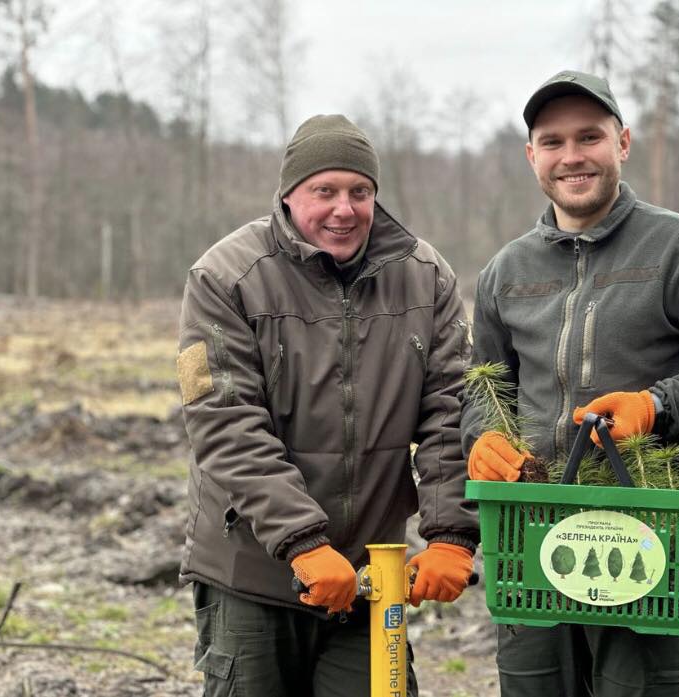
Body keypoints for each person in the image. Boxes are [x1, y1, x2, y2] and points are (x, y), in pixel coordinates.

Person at [461, 71, 679, 696]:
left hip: (651, 532)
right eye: (552, 142)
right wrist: (483, 444)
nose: (572, 156)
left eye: (590, 136)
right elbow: (482, 387)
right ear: (532, 156)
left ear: (623, 143)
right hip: (530, 533)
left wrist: (656, 406)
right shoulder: (506, 270)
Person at [176, 114, 478, 697]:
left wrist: (452, 534)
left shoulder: (424, 277)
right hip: (253, 575)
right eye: (325, 191)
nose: (344, 209)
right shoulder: (225, 277)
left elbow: (451, 411)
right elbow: (224, 422)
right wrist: (302, 543)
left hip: (370, 576)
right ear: (289, 195)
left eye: (359, 192)